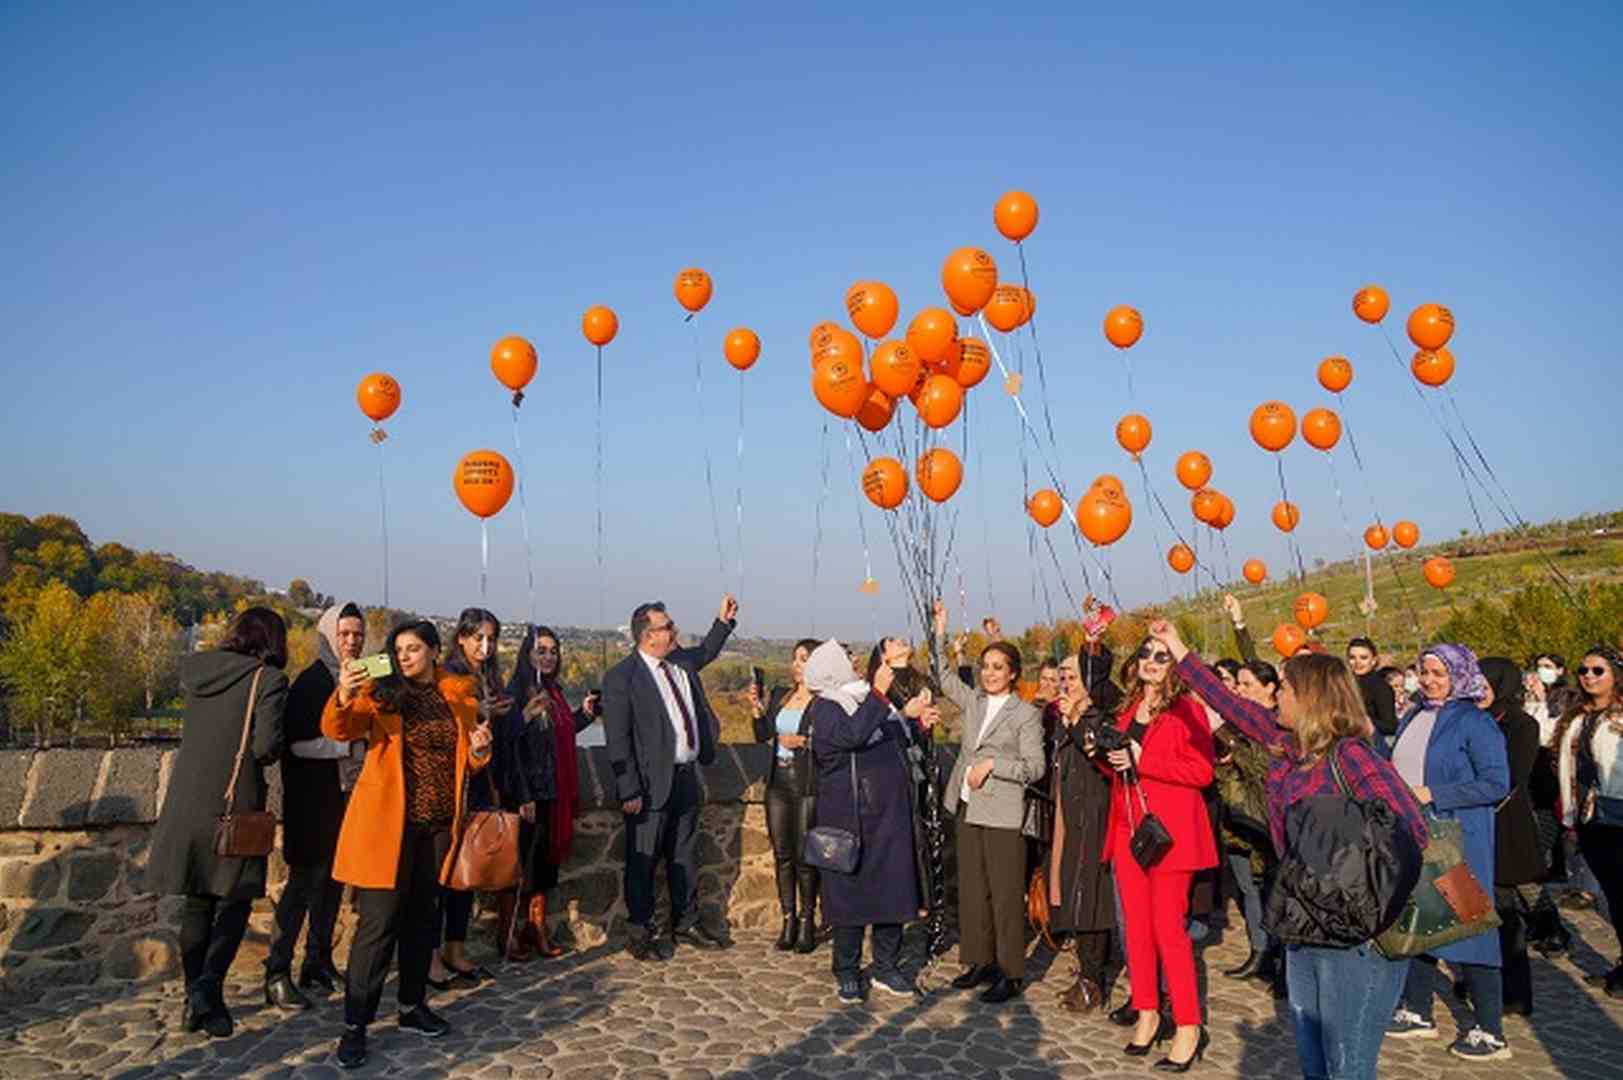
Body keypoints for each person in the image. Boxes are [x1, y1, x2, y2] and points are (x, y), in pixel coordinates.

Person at [1149, 619, 1428, 1080]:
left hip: (1356, 934)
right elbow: (1228, 704)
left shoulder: (1352, 756)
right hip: (1304, 922)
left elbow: (1409, 829)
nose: (1276, 694)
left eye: (1286, 688)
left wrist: (1352, 881)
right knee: (1314, 1059)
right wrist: (1177, 646)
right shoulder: (1288, 746)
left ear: (1311, 699)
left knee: (1349, 1065)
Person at [321, 620, 496, 1069]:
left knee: (423, 919)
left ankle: (411, 1006)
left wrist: (479, 750)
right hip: (389, 827)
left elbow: (470, 761)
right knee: (377, 927)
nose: (404, 656)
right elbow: (341, 727)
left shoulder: (456, 694)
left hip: (438, 827)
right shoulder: (381, 691)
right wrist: (342, 692)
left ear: (435, 651)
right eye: (398, 649)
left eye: (414, 648)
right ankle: (354, 1026)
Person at [147, 608, 290, 1038]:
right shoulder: (268, 680)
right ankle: (209, 989)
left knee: (197, 902)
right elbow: (266, 747)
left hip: (185, 803)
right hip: (235, 806)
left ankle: (196, 1000)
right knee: (235, 901)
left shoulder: (197, 673)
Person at [1385, 644, 1511, 1061]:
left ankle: (1490, 1029)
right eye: (1424, 671)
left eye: (1439, 673)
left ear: (1459, 674)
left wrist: (1433, 792)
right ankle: (1418, 1009)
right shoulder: (1414, 714)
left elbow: (1496, 783)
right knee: (1420, 918)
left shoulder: (1475, 722)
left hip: (1457, 837)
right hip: (1415, 834)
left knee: (1470, 925)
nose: (1429, 680)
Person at [1102, 631, 1216, 1070]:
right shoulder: (1129, 708)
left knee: (1169, 930)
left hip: (1170, 836)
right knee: (1137, 928)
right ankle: (1147, 1012)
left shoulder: (1188, 710)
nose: (1150, 660)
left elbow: (1202, 771)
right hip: (1128, 830)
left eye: (1161, 655)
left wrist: (1141, 757)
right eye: (1146, 653)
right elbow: (1124, 768)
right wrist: (1105, 754)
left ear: (1177, 665)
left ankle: (1188, 1025)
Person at [602, 595, 738, 961]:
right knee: (642, 860)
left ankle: (686, 922)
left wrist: (722, 622)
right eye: (667, 627)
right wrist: (628, 787)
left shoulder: (680, 661)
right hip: (647, 786)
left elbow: (707, 651)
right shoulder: (621, 678)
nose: (674, 630)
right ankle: (640, 930)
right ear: (648, 636)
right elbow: (617, 739)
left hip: (686, 776)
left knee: (684, 853)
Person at [806, 639, 936, 1002]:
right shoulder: (827, 707)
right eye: (847, 656)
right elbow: (853, 735)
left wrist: (913, 723)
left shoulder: (867, 700)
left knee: (891, 893)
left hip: (888, 816)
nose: (856, 659)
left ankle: (885, 966)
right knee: (850, 900)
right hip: (851, 818)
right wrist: (880, 694)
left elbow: (890, 736)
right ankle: (847, 970)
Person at [934, 599, 1045, 1004]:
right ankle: (979, 961)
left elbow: (1035, 767)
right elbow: (941, 675)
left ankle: (1011, 971)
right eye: (986, 666)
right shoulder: (974, 701)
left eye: (999, 667)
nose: (990, 673)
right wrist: (940, 630)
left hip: (1003, 815)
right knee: (973, 890)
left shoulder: (1025, 715)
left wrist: (994, 764)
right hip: (966, 807)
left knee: (1003, 894)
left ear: (1013, 673)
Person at [266, 603, 366, 1009]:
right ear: (327, 636)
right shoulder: (310, 682)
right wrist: (350, 746)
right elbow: (297, 744)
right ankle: (276, 971)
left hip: (343, 800)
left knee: (332, 883)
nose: (352, 641)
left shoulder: (362, 679)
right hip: (312, 801)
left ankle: (318, 962)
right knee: (303, 885)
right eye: (344, 634)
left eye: (358, 634)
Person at [502, 624, 602, 961]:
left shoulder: (556, 693)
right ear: (526, 654)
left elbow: (560, 733)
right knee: (520, 867)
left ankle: (537, 927)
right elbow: (511, 746)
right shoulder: (517, 691)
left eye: (552, 651)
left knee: (544, 867)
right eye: (540, 650)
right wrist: (523, 793)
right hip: (526, 795)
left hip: (551, 791)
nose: (547, 656)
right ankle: (509, 933)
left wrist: (585, 715)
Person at [432, 608, 514, 976]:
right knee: (442, 871)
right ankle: (431, 953)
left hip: (481, 778)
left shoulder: (487, 676)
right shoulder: (448, 677)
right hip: (453, 783)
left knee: (468, 868)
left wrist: (500, 713)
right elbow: (443, 727)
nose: (485, 646)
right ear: (461, 638)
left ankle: (456, 945)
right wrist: (478, 710)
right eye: (478, 638)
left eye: (491, 639)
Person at [1047, 649, 1120, 1012]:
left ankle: (1094, 980)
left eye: (1073, 678)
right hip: (1070, 812)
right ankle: (1087, 972)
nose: (1065, 685)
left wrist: (1094, 643)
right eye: (1063, 678)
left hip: (1094, 815)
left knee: (1090, 896)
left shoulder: (1099, 715)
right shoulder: (1066, 715)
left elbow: (1099, 753)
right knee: (1074, 890)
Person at [1475, 657, 1545, 1016]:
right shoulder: (1469, 718)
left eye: (1485, 684)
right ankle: (1480, 979)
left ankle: (1514, 992)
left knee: (1504, 910)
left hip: (1504, 824)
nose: (1479, 691)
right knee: (1473, 907)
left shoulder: (1521, 724)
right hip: (1473, 821)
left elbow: (1511, 775)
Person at [1557, 645, 1623, 998]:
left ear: (1615, 676)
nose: (1589, 676)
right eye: (1583, 670)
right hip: (1589, 814)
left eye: (1598, 670)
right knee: (1610, 895)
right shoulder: (1578, 717)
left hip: (1618, 813)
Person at [750, 638, 823, 952]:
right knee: (782, 855)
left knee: (806, 858)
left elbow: (832, 743)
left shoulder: (824, 702)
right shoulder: (781, 695)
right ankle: (788, 920)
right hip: (778, 783)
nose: (797, 664)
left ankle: (808, 921)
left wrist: (804, 743)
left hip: (807, 785)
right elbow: (763, 735)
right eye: (795, 658)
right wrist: (757, 710)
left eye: (804, 658)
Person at [1215, 659, 1280, 989]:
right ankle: (1259, 952)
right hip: (1238, 816)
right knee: (1248, 888)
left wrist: (1235, 752)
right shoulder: (1234, 723)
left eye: (1246, 684)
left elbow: (1263, 766)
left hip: (1268, 821)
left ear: (1270, 688)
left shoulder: (1278, 723)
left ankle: (1281, 961)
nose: (1239, 691)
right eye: (1236, 685)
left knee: (1275, 891)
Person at [1348, 636, 1399, 742]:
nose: (1357, 662)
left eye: (1363, 657)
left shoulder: (1380, 687)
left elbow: (1390, 726)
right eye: (1352, 657)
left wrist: (1359, 720)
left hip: (1369, 745)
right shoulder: (1344, 683)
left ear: (1373, 660)